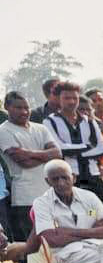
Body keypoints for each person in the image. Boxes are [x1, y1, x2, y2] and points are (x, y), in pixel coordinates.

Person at [0, 91, 60, 242]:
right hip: (23, 196)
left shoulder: (40, 128)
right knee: (28, 242)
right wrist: (46, 155)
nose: (24, 112)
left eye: (27, 108)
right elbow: (23, 162)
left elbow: (58, 153)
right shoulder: (3, 130)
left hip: (48, 193)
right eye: (18, 108)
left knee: (49, 238)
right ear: (7, 107)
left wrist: (29, 153)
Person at [43, 81, 103, 201]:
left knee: (94, 213)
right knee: (74, 214)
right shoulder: (50, 121)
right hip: (69, 178)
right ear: (59, 99)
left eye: (75, 98)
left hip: (93, 177)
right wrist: (88, 146)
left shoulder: (89, 121)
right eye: (67, 98)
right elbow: (59, 149)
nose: (71, 101)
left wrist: (76, 153)